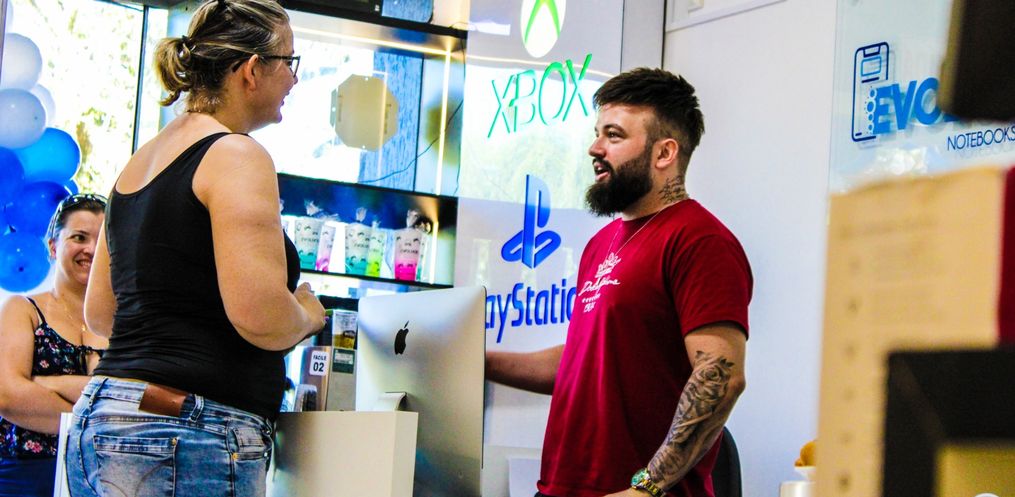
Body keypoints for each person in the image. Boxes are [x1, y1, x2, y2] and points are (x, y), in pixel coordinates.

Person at [65, 0, 327, 495]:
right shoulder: (235, 154)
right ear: (252, 69)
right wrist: (306, 316)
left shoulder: (139, 162)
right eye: (289, 62)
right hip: (186, 430)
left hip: (103, 417)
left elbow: (101, 315)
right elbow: (262, 316)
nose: (294, 79)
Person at [486, 68, 753, 497]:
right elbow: (582, 361)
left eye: (613, 135)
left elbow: (720, 377)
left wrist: (646, 488)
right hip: (559, 488)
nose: (595, 148)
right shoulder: (601, 243)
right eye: (598, 134)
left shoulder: (700, 240)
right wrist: (476, 360)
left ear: (664, 152)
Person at [0, 193, 109, 497]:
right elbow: (7, 396)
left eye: (102, 242)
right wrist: (96, 423)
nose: (91, 249)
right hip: (25, 477)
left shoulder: (124, 322)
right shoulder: (22, 309)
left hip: (104, 476)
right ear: (53, 246)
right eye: (79, 237)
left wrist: (47, 383)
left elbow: (137, 401)